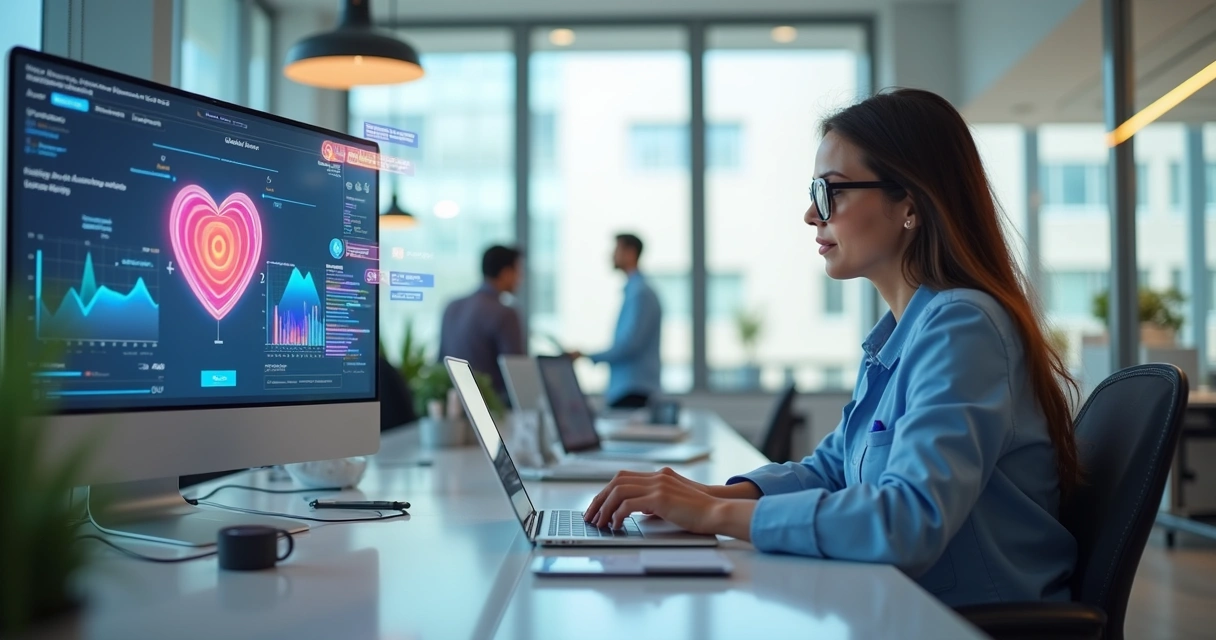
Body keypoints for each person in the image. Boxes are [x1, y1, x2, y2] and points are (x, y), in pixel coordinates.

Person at [582, 88, 1080, 607]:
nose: (811, 214)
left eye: (831, 192)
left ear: (908, 202)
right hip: (904, 607)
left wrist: (713, 516)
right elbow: (832, 470)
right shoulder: (901, 333)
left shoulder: (962, 327)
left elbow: (908, 522)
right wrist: (700, 495)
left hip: (967, 623)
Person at [568, 234, 662, 409]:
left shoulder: (640, 293)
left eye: (616, 249)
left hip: (633, 390)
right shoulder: (635, 291)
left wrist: (586, 355)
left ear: (630, 253)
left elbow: (629, 345)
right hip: (629, 390)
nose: (611, 255)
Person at [437, 245, 524, 400]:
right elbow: (517, 373)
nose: (520, 278)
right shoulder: (505, 313)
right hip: (492, 409)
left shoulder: (451, 306)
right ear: (506, 273)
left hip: (454, 404)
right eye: (518, 271)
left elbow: (440, 361)